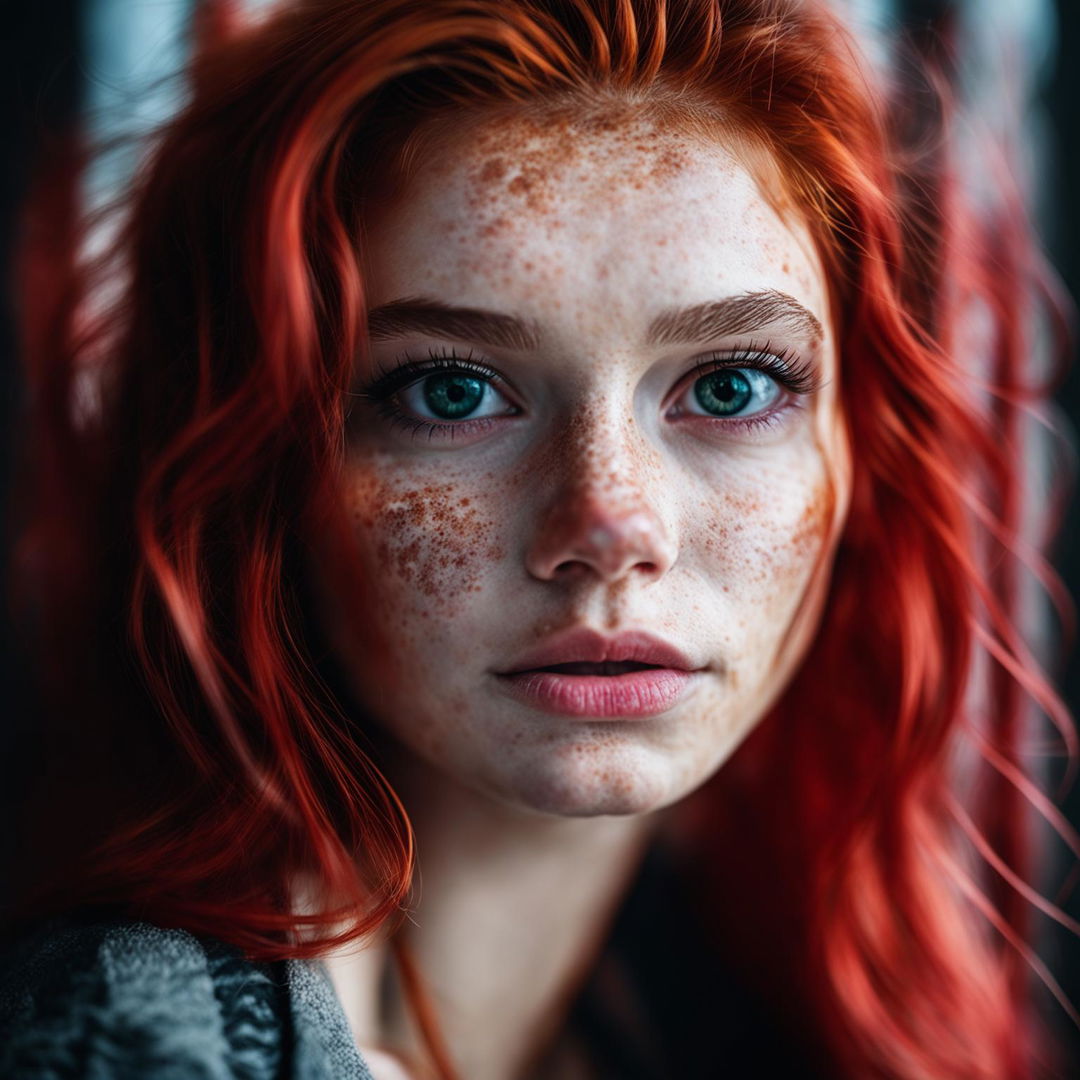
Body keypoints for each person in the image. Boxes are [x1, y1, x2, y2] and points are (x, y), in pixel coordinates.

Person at [1, 0, 1075, 1077]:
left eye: (733, 385)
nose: (611, 524)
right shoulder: (127, 1048)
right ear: (255, 468)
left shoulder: (781, 1003)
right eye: (453, 391)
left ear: (856, 458)